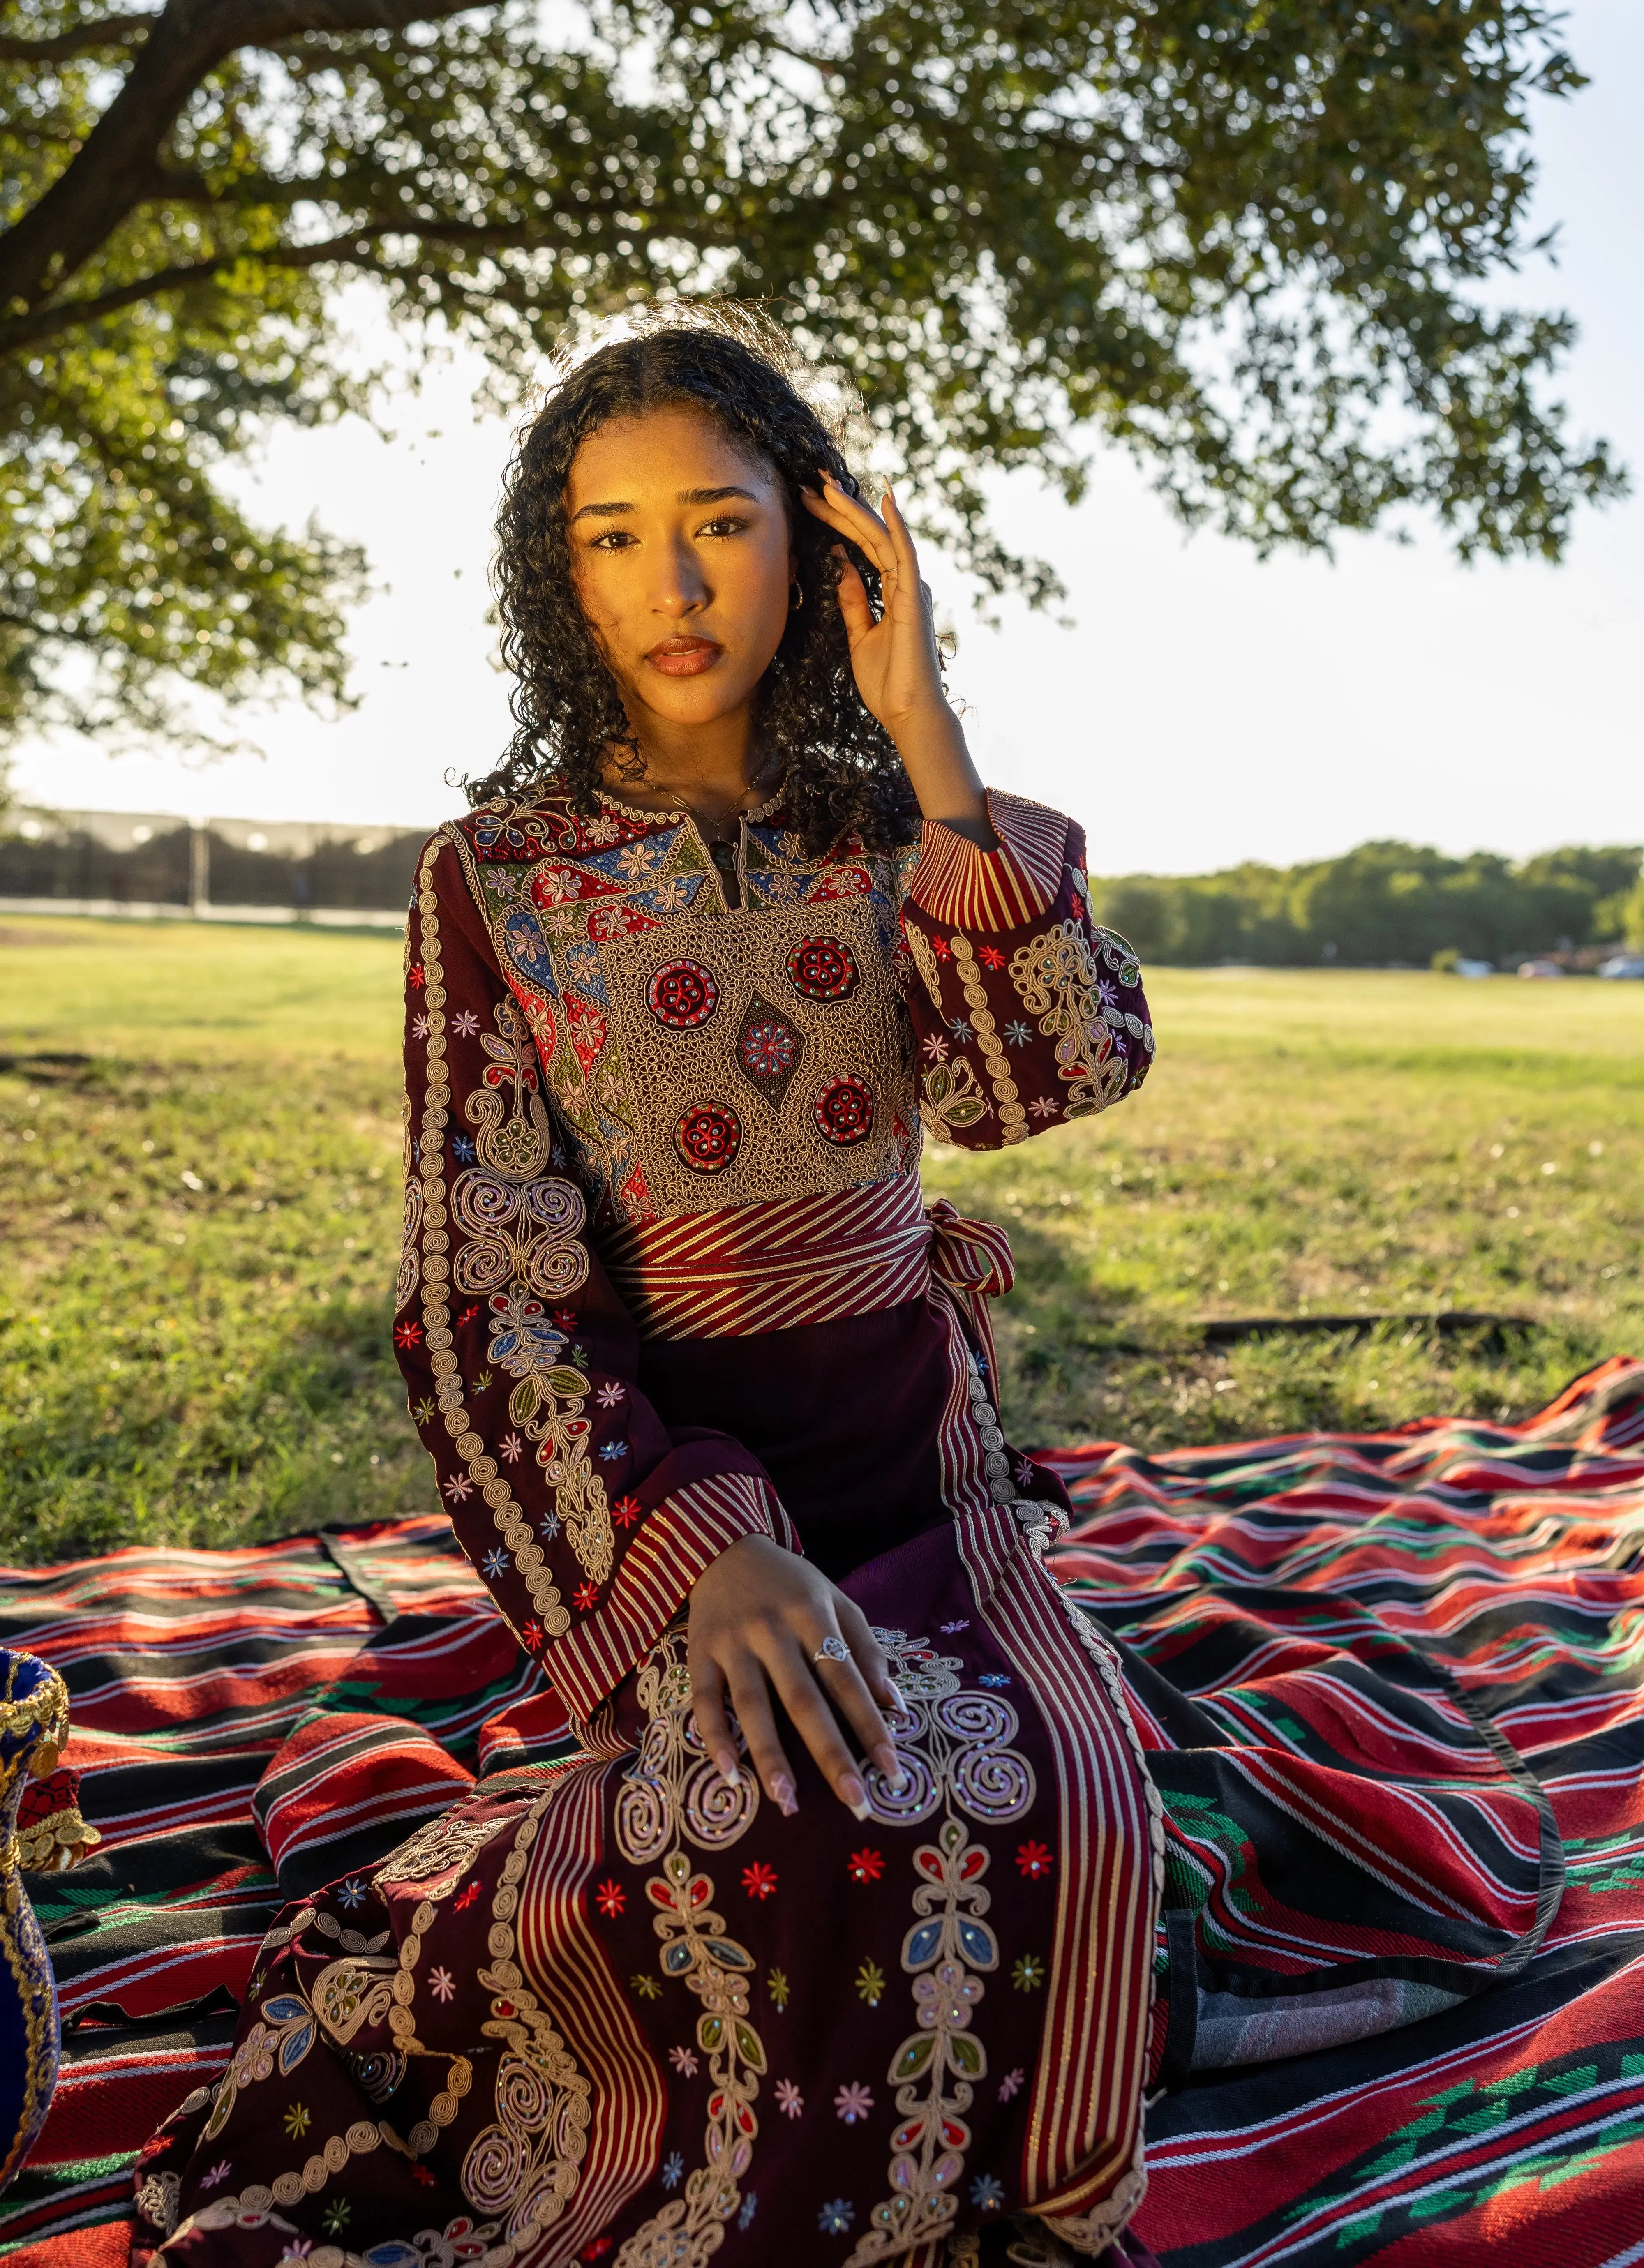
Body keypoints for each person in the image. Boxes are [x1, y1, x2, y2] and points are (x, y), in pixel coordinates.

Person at [130, 311, 1556, 2267]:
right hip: (675, 1499)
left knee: (1025, 1822)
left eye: (719, 522)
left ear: (818, 544)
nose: (675, 582)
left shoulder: (886, 829)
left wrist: (931, 733)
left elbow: (1036, 1078)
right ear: (558, 571)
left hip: (919, 1482)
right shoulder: (499, 877)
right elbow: (493, 1300)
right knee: (766, 1844)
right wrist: (701, 1549)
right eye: (614, 536)